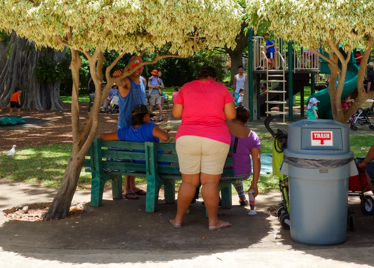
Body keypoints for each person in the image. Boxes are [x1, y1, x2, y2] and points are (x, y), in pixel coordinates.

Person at [169, 66, 249, 230]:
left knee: (189, 182)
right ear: (214, 78)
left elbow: (177, 114)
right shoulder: (222, 89)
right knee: (210, 182)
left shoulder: (186, 87)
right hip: (216, 138)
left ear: (200, 76)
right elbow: (231, 116)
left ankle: (177, 220)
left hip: (187, 137)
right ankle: (213, 222)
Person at [113, 57, 147, 199]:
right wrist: (117, 77)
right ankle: (127, 188)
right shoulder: (126, 81)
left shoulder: (143, 81)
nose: (138, 69)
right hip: (127, 125)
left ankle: (132, 185)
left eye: (141, 67)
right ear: (129, 67)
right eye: (135, 67)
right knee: (128, 156)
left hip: (141, 125)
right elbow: (119, 82)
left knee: (136, 155)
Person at [225, 106, 261, 206]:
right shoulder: (252, 135)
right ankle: (242, 196)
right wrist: (254, 183)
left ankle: (217, 199)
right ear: (247, 119)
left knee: (228, 168)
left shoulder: (223, 126)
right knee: (236, 167)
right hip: (243, 173)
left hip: (219, 171)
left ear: (233, 116)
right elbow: (256, 160)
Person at [99, 104, 170, 144]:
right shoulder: (150, 127)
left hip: (134, 165)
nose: (150, 118)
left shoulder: (125, 131)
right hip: (152, 165)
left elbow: (104, 137)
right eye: (149, 116)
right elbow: (166, 137)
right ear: (144, 116)